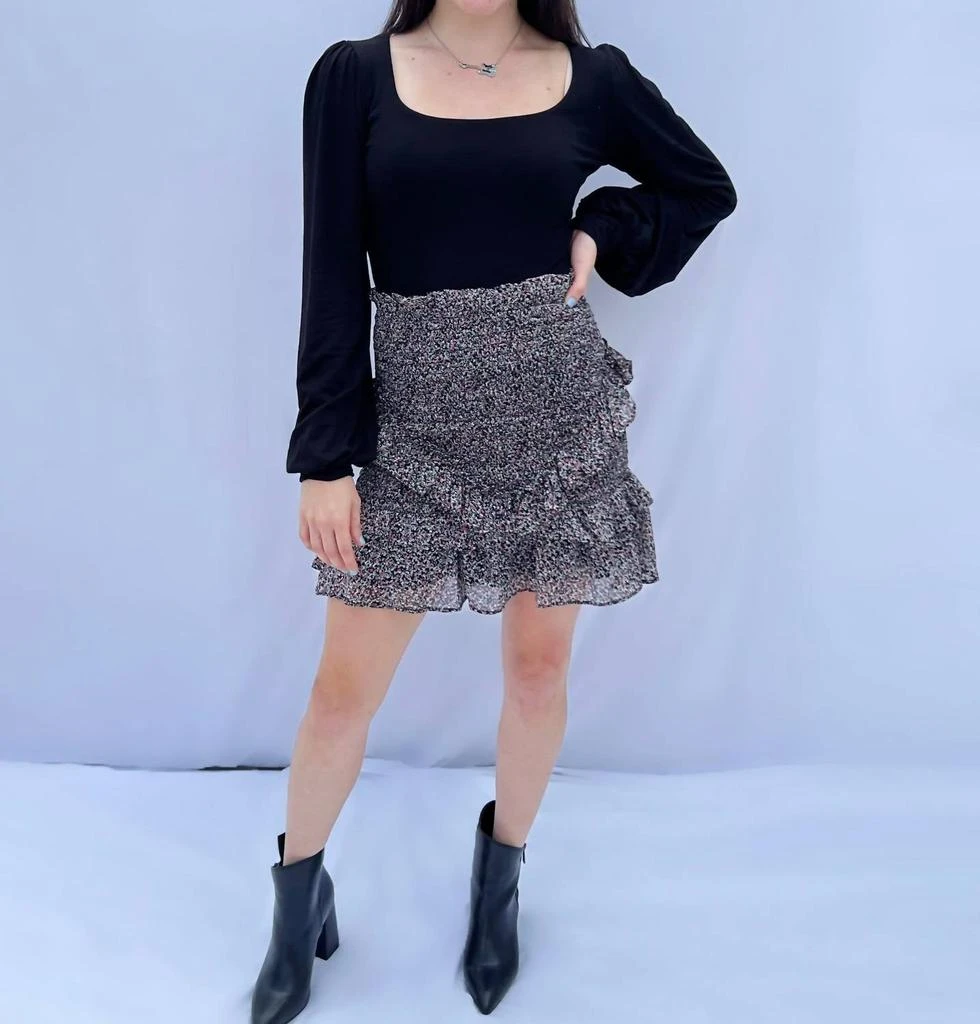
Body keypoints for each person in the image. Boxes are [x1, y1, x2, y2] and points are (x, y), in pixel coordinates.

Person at [250, 1, 736, 1020]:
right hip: (409, 431)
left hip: (557, 414)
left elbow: (702, 186)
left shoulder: (592, 78)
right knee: (341, 696)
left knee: (537, 670)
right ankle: (296, 904)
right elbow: (329, 268)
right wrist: (325, 456)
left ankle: (500, 882)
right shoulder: (354, 76)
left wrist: (601, 228)